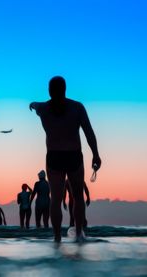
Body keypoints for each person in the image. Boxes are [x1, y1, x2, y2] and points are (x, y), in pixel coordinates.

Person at [29, 76, 101, 242]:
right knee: (77, 197)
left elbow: (34, 104)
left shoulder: (43, 108)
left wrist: (31, 104)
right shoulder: (77, 107)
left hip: (54, 157)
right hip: (73, 155)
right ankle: (79, 235)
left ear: (49, 91)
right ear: (65, 89)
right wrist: (96, 154)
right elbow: (89, 132)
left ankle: (56, 238)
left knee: (55, 199)